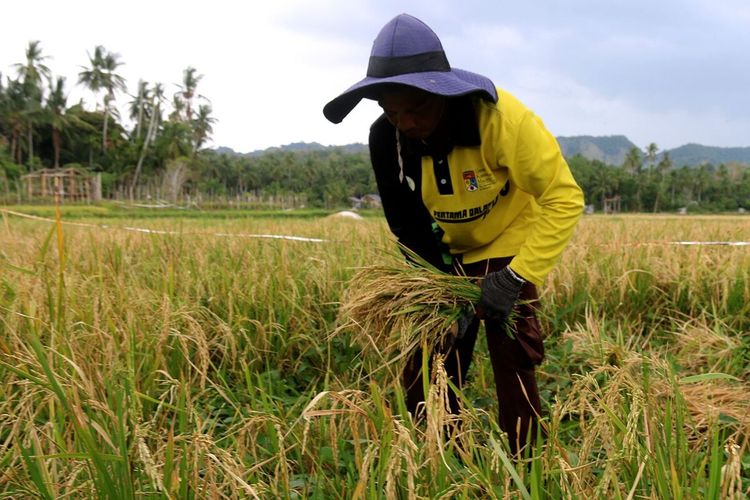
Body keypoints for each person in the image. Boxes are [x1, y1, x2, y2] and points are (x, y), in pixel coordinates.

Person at [323, 13, 584, 455]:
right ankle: (437, 451)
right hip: (443, 250)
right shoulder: (387, 136)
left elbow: (563, 198)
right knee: (431, 354)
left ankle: (525, 460)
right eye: (392, 110)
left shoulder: (503, 122)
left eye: (417, 109)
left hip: (506, 242)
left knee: (513, 354)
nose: (405, 122)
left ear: (440, 92)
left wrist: (514, 278)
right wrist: (437, 282)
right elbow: (404, 219)